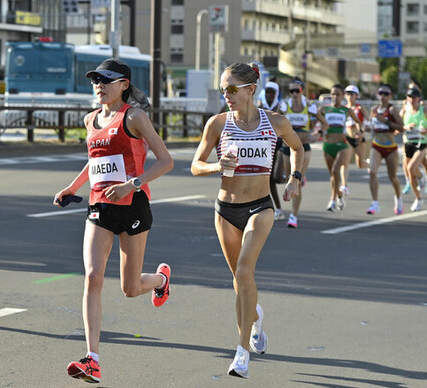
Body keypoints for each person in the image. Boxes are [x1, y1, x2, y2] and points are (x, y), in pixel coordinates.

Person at [54, 58, 174, 384]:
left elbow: (166, 161)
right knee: (92, 276)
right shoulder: (90, 118)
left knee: (130, 288)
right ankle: (92, 359)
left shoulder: (134, 117)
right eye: (96, 80)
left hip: (133, 205)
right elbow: (95, 161)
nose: (99, 85)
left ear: (123, 85)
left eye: (106, 80)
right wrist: (72, 187)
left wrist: (130, 185)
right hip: (99, 207)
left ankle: (161, 281)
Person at [191, 63, 303, 379]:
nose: (226, 95)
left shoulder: (276, 122)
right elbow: (195, 165)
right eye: (222, 89)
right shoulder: (217, 124)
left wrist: (295, 177)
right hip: (225, 210)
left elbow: (297, 147)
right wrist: (216, 167)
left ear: (250, 89)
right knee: (240, 282)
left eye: (231, 89)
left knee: (244, 271)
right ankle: (256, 317)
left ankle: (241, 353)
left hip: (260, 207)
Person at [281, 78, 327, 228]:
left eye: (297, 90)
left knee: (296, 181)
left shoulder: (310, 106)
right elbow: (273, 121)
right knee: (288, 178)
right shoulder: (284, 105)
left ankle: (293, 216)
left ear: (302, 91)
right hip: (287, 147)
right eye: (292, 91)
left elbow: (324, 123)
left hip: (303, 147)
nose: (294, 93)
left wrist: (318, 134)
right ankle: (299, 177)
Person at [319, 84, 361, 211]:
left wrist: (360, 132)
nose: (335, 97)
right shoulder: (324, 110)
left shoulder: (346, 110)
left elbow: (358, 122)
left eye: (338, 94)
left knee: (335, 171)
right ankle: (339, 195)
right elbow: (316, 122)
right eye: (333, 94)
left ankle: (332, 200)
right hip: (328, 145)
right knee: (333, 175)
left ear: (342, 96)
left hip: (342, 145)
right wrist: (319, 130)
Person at [367, 85, 404, 215]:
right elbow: (372, 125)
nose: (383, 96)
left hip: (390, 148)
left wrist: (387, 122)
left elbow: (402, 127)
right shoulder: (374, 109)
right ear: (378, 95)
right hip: (376, 145)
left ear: (390, 96)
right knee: (372, 172)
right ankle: (375, 203)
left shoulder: (392, 110)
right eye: (381, 93)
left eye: (386, 94)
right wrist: (367, 128)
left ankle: (398, 198)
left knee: (392, 177)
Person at [258, 81, 285, 221]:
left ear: (276, 94)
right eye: (267, 92)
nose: (269, 95)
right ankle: (277, 209)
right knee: (268, 179)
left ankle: (289, 174)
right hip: (266, 145)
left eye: (272, 93)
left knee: (277, 177)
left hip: (280, 144)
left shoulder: (281, 106)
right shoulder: (260, 106)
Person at [400, 87, 427, 211]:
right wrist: (406, 127)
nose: (411, 99)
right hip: (408, 143)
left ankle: (422, 177)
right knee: (410, 173)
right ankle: (419, 199)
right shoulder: (404, 110)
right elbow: (398, 127)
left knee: (412, 167)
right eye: (409, 97)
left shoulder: (424, 110)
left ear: (419, 98)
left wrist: (424, 131)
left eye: (414, 97)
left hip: (421, 143)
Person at [340, 85, 370, 196]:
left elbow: (367, 119)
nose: (349, 96)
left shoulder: (360, 108)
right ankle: (344, 186)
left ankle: (369, 165)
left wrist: (362, 132)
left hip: (359, 138)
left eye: (352, 94)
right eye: (347, 93)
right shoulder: (343, 108)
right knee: (344, 162)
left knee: (360, 164)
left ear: (357, 96)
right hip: (347, 137)